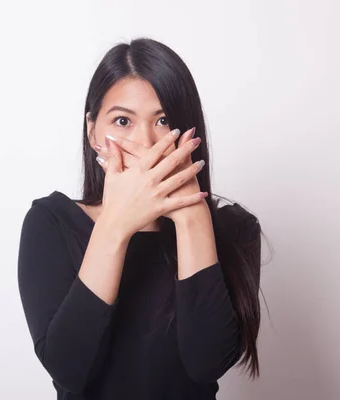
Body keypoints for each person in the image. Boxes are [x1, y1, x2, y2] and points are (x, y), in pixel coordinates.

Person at [17, 37, 262, 400]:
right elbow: (68, 369)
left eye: (163, 120)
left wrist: (192, 214)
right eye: (122, 121)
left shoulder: (235, 229)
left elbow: (207, 364)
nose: (146, 142)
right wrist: (116, 225)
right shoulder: (51, 223)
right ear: (92, 131)